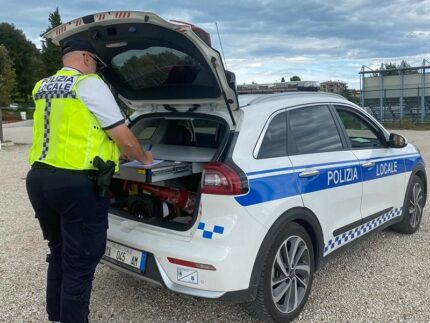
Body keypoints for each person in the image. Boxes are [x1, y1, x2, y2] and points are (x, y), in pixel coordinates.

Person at [25, 38, 153, 323]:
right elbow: (123, 137)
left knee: (59, 251)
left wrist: (111, 156)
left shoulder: (43, 86)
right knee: (80, 262)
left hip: (39, 179)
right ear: (85, 57)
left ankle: (57, 316)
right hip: (74, 185)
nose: (96, 68)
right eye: (95, 62)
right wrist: (144, 158)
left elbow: (73, 134)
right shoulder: (89, 84)